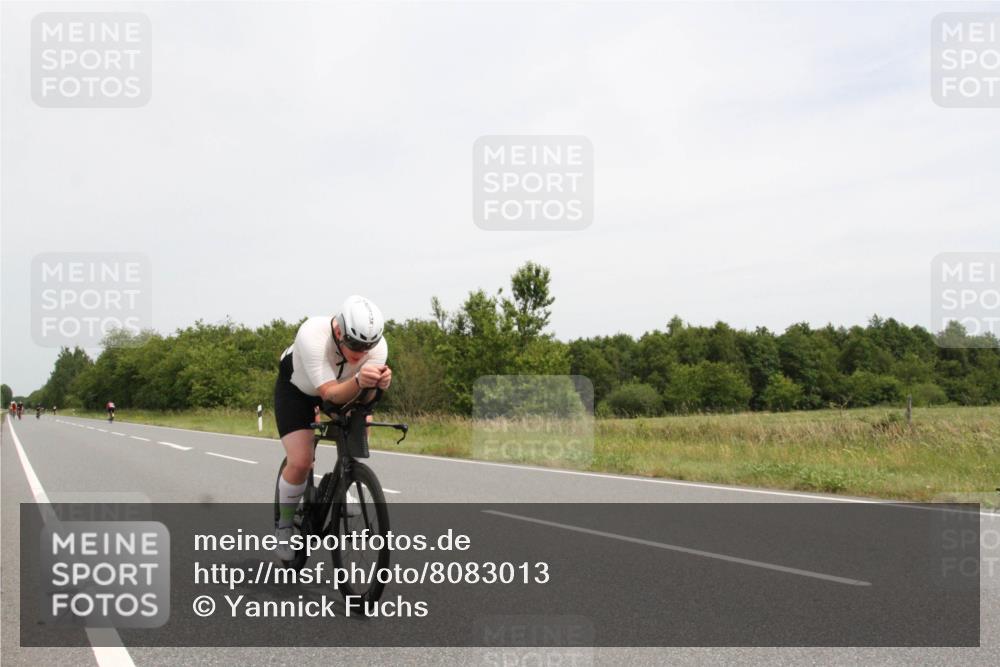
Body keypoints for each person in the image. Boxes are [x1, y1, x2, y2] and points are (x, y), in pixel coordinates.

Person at [272, 295, 392, 561]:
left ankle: (344, 483)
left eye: (368, 347)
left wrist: (378, 387)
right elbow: (329, 394)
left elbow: (365, 400)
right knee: (301, 462)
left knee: (359, 427)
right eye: (355, 344)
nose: (361, 353)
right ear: (338, 331)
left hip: (343, 388)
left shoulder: (378, 348)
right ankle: (284, 527)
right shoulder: (313, 334)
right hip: (298, 391)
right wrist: (360, 380)